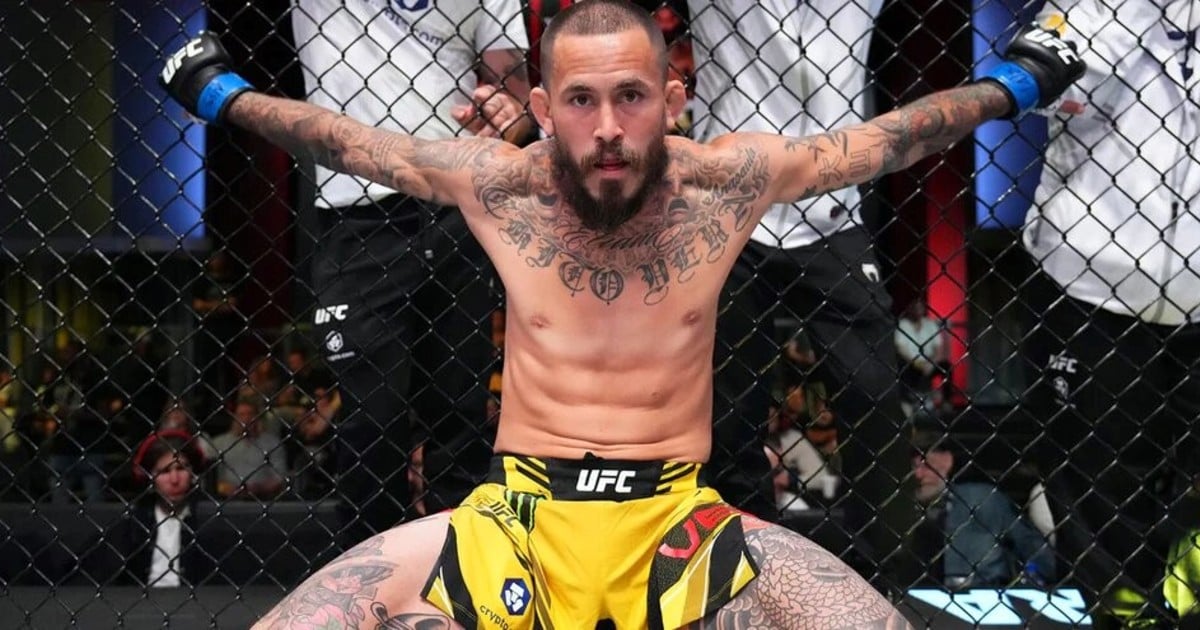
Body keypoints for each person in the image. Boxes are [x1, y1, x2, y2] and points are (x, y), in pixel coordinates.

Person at [160, 0, 1081, 624]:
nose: (607, 127)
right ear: (541, 106)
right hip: (513, 520)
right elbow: (346, 141)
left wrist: (1016, 85)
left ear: (673, 100)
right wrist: (219, 95)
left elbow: (884, 141)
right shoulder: (500, 186)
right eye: (581, 100)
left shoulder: (725, 185)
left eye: (631, 97)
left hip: (681, 523)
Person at [685, 0, 918, 587]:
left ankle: (882, 575)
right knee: (729, 409)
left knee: (873, 391)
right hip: (729, 210)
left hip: (831, 209)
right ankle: (741, 570)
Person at [289, 0, 531, 547]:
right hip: (356, 209)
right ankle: (372, 581)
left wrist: (505, 117)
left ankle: (463, 574)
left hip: (454, 201)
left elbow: (513, 96)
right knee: (371, 426)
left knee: (460, 415)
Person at [1020, 1, 1200, 626]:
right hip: (1088, 280)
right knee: (1096, 484)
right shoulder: (1092, 7)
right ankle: (1126, 620)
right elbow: (1035, 87)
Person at [910, 430, 1055, 590]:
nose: (918, 474)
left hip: (984, 588)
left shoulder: (983, 499)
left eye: (926, 466)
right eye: (912, 468)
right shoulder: (904, 512)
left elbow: (1031, 545)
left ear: (946, 461)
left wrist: (1032, 577)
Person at [84, 430, 210, 586]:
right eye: (164, 471)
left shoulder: (208, 523)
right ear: (150, 478)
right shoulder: (132, 526)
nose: (174, 479)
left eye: (181, 469)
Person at [895, 296, 951, 413]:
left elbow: (937, 348)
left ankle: (946, 401)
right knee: (901, 366)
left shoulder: (930, 324)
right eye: (914, 307)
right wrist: (916, 363)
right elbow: (901, 348)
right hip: (911, 363)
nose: (917, 310)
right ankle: (906, 402)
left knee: (947, 367)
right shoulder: (903, 324)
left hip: (929, 362)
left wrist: (931, 363)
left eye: (920, 307)